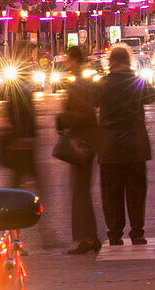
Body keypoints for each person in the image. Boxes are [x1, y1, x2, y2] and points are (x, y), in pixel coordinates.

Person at [96, 45, 155, 246]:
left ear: (110, 62)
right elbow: (152, 96)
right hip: (135, 145)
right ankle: (137, 232)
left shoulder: (102, 83)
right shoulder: (136, 82)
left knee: (111, 192)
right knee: (136, 192)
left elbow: (92, 100)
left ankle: (114, 233)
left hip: (110, 145)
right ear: (129, 61)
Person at [56, 46, 103, 254]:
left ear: (74, 59)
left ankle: (88, 238)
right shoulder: (80, 77)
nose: (65, 61)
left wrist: (62, 119)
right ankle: (89, 237)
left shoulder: (79, 81)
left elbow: (85, 113)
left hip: (83, 141)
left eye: (67, 58)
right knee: (80, 190)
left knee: (80, 191)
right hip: (87, 139)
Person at [0, 80, 58, 248]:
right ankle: (26, 236)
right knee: (23, 196)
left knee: (17, 195)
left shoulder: (17, 96)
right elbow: (22, 122)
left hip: (24, 153)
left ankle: (20, 236)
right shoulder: (20, 98)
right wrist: (25, 138)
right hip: (22, 153)